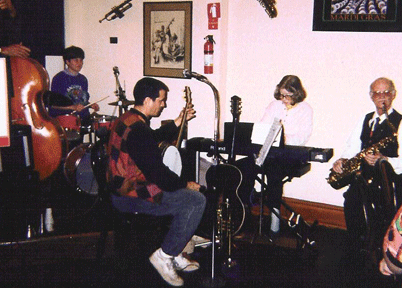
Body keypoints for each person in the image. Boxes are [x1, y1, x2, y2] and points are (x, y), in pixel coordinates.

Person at [107, 77, 206, 287]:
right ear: (148, 100)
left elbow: (152, 138)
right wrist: (185, 184)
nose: (164, 104)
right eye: (161, 100)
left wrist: (178, 121)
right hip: (131, 197)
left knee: (185, 197)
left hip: (120, 192)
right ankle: (165, 254)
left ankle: (175, 250)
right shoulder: (139, 130)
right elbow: (159, 175)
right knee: (195, 200)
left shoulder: (128, 118)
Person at [236, 75, 313, 238]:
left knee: (274, 173)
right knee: (243, 167)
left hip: (290, 155)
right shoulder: (274, 105)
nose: (283, 99)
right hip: (269, 152)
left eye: (287, 96)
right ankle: (244, 211)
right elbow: (263, 126)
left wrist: (281, 138)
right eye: (281, 95)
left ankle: (274, 215)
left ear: (296, 93)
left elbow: (302, 137)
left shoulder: (305, 109)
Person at [332, 77, 402, 251]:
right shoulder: (365, 120)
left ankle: (382, 249)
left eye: (385, 92)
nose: (381, 97)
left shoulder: (399, 122)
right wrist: (341, 161)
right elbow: (352, 147)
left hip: (389, 181)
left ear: (393, 94)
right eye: (377, 93)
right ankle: (357, 247)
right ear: (371, 96)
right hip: (364, 177)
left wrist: (384, 160)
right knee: (351, 201)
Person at [49, 46, 99, 128]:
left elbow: (80, 100)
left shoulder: (83, 79)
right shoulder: (59, 78)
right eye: (76, 60)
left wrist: (90, 105)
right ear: (67, 62)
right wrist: (73, 107)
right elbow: (52, 104)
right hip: (65, 120)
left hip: (81, 119)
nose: (79, 63)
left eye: (81, 60)